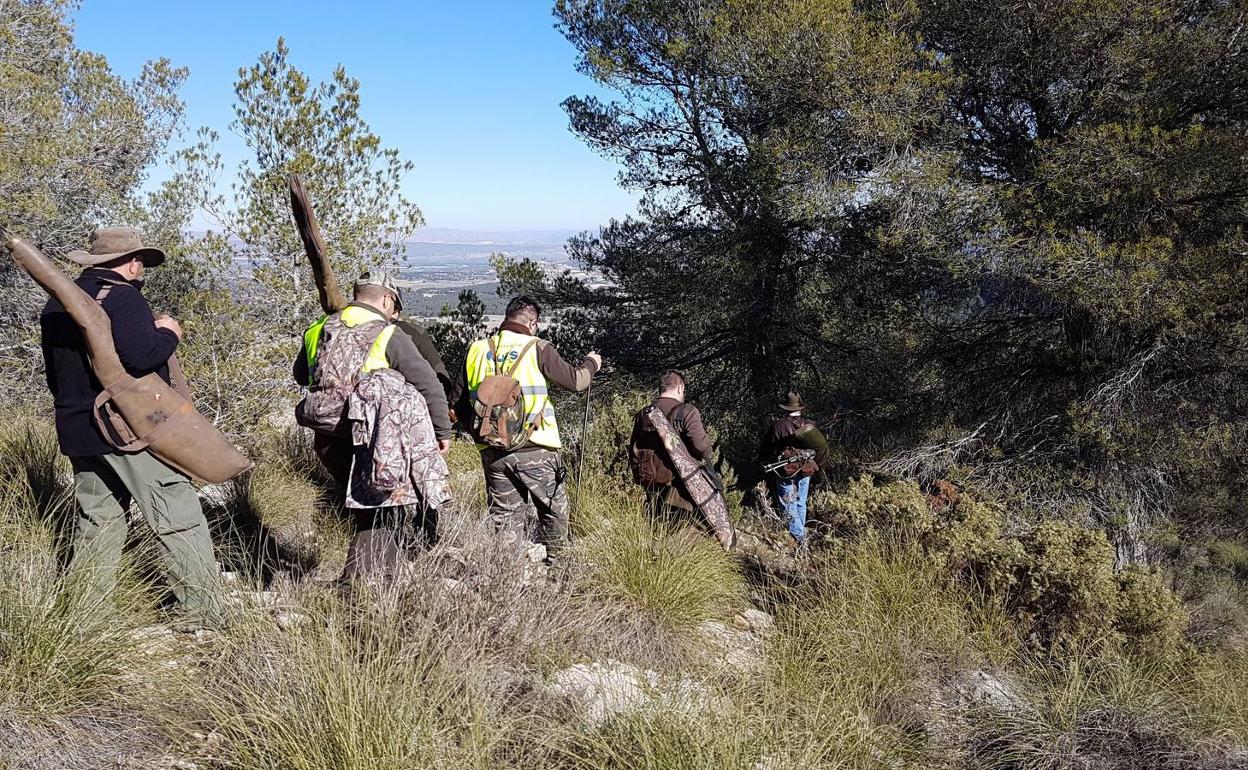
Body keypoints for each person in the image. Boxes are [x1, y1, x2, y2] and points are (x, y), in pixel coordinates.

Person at [40, 227, 223, 629]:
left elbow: (57, 374)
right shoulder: (122, 298)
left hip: (78, 428)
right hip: (125, 431)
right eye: (138, 259)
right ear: (128, 260)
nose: (141, 267)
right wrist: (168, 333)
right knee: (177, 514)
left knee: (97, 523)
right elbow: (143, 358)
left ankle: (85, 617)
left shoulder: (58, 303)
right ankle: (202, 613)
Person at [293, 271, 452, 584]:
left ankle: (388, 581)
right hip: (370, 438)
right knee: (379, 510)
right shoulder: (388, 333)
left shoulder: (317, 329)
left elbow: (301, 375)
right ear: (387, 299)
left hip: (326, 439)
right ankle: (357, 587)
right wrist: (441, 431)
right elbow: (428, 383)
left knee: (376, 510)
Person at [463, 296, 601, 565]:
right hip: (535, 445)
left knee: (505, 519)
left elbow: (457, 400)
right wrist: (592, 363)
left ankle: (505, 580)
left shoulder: (477, 349)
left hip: (492, 449)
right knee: (553, 509)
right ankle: (558, 571)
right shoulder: (538, 347)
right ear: (532, 322)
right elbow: (576, 381)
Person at [628, 369, 716, 517]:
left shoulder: (643, 414)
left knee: (655, 525)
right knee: (681, 532)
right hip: (681, 490)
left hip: (651, 484)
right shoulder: (687, 411)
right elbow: (702, 449)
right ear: (680, 388)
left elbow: (633, 449)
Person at [762, 391, 831, 552]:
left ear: (785, 408)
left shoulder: (778, 426)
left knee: (788, 504)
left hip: (786, 471)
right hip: (807, 469)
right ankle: (801, 536)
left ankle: (800, 540)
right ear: (800, 407)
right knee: (800, 502)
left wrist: (764, 460)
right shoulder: (811, 425)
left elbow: (766, 448)